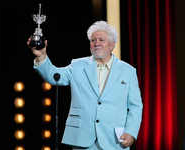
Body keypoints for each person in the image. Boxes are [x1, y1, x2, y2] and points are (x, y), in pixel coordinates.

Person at [27, 21, 143, 150]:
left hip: (114, 140)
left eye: (101, 40)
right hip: (82, 139)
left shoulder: (128, 71)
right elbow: (54, 77)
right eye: (93, 40)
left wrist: (131, 132)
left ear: (112, 45)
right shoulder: (77, 65)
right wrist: (41, 56)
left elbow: (135, 106)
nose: (96, 43)